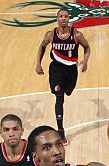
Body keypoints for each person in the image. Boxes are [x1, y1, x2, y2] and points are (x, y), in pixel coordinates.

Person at [35, 8, 91, 146]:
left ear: (69, 18)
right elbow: (42, 47)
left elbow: (87, 47)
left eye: (66, 16)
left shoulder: (77, 35)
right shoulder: (50, 35)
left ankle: (67, 90)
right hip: (56, 70)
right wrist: (38, 63)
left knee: (68, 92)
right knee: (59, 97)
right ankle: (61, 131)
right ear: (57, 19)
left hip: (71, 70)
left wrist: (85, 61)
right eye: (61, 16)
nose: (63, 18)